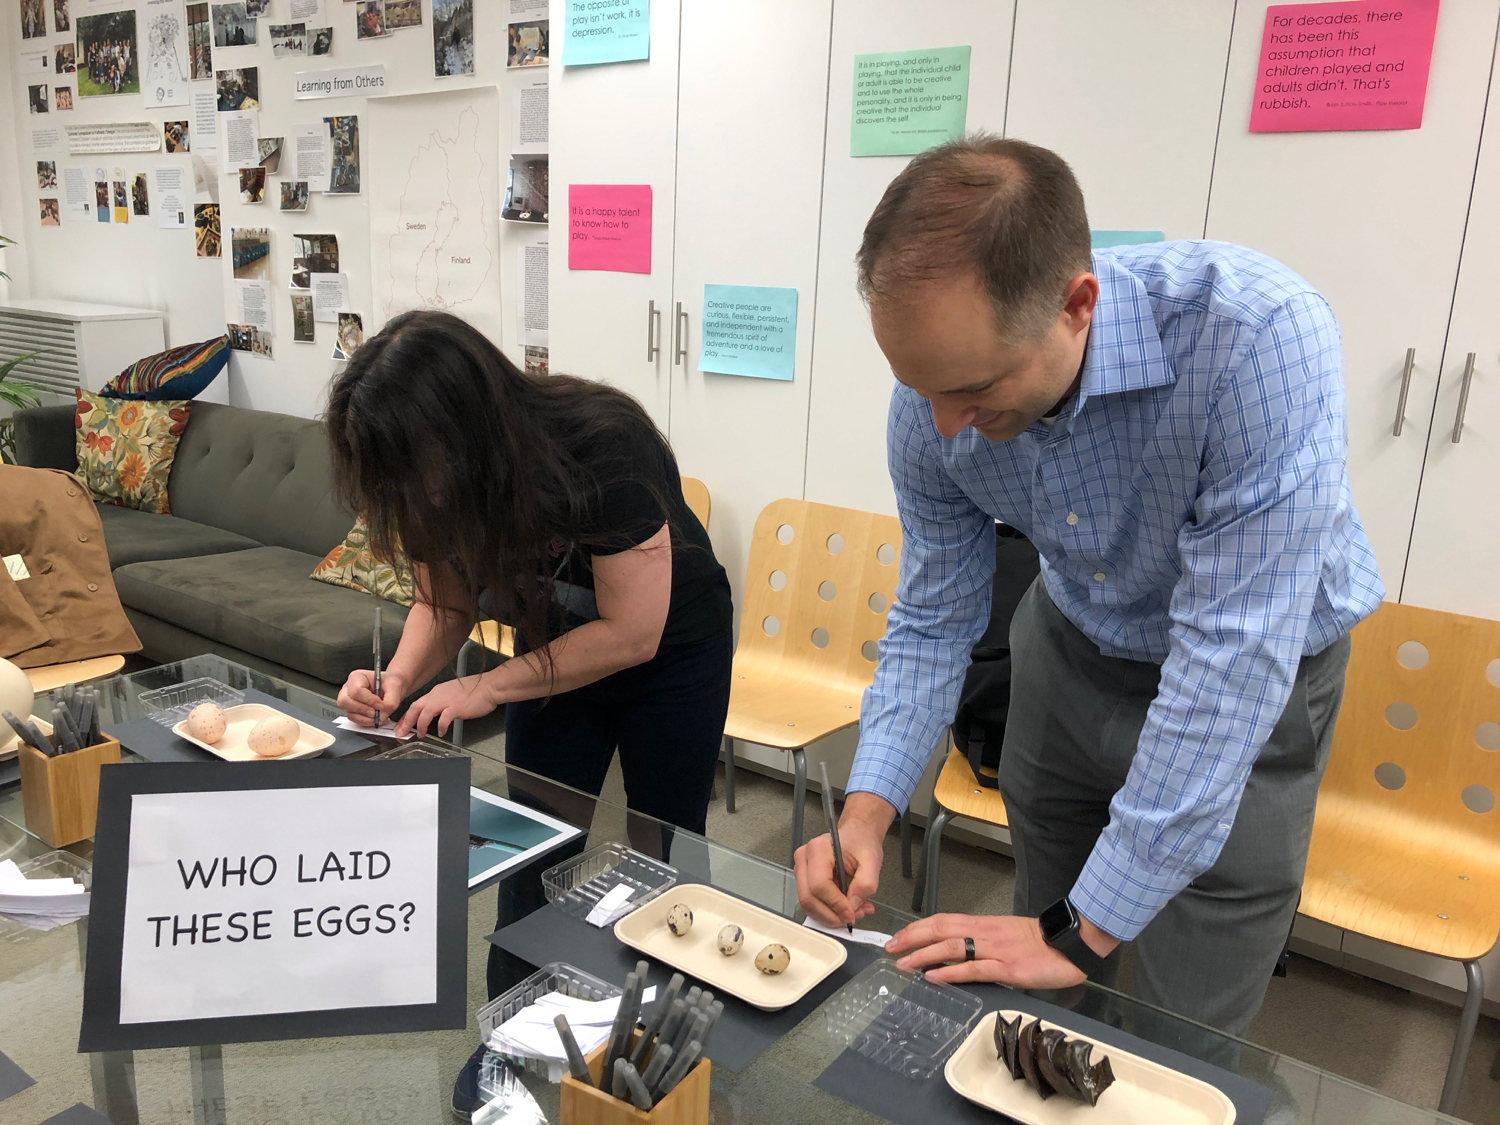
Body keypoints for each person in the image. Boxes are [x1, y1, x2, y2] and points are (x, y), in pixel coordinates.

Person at [794, 135, 1383, 1038]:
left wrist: (1083, 926)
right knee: (1035, 981)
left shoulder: (1258, 339)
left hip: (1253, 686)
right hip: (1066, 655)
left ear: (1077, 305)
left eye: (974, 388)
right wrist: (867, 812)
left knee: (1188, 1028)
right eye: (921, 390)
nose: (948, 425)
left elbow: (1228, 663)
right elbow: (933, 615)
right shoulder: (935, 397)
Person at [325, 310, 734, 1119]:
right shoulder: (429, 483)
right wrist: (396, 678)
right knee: (532, 847)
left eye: (413, 474)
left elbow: (631, 632)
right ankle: (506, 1040)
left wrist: (482, 688)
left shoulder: (602, 445)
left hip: (672, 646)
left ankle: (666, 1059)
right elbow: (442, 601)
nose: (408, 498)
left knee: (664, 854)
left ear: (465, 432)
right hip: (555, 652)